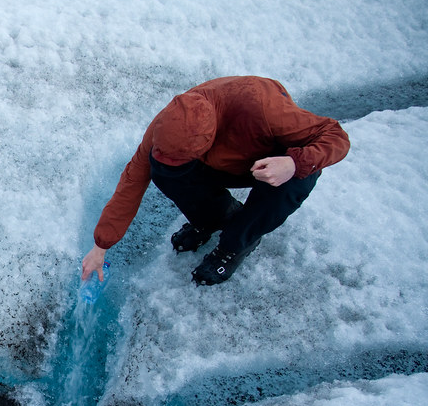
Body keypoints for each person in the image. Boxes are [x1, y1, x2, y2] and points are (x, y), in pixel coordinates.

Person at [81, 76, 350, 286]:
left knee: (296, 180)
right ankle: (212, 219)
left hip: (268, 165)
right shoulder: (169, 122)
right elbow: (132, 182)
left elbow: (335, 135)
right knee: (160, 169)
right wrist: (100, 246)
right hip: (219, 162)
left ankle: (236, 245)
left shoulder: (265, 108)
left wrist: (293, 163)